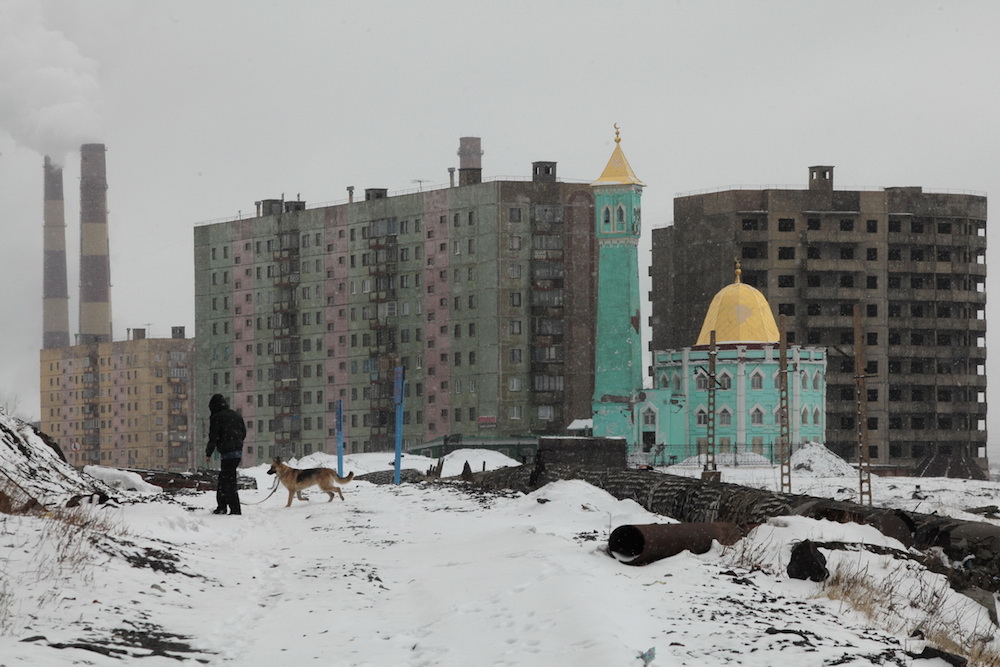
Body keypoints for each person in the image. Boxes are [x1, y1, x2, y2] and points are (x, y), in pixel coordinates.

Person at [204, 394, 246, 515]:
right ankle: (222, 506)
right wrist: (237, 443)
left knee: (228, 481)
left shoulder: (216, 418)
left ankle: (234, 509)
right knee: (224, 479)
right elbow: (243, 432)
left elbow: (213, 437)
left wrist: (209, 453)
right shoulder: (236, 415)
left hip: (227, 453)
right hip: (237, 452)